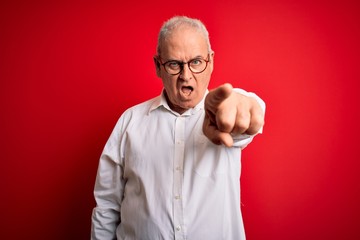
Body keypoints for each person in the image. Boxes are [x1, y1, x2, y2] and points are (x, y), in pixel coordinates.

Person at [91, 16, 265, 240]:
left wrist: (245, 105)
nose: (186, 76)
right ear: (158, 66)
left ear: (210, 61)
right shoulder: (130, 122)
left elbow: (247, 114)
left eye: (196, 62)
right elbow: (106, 207)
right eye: (174, 64)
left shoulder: (223, 115)